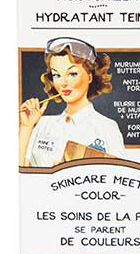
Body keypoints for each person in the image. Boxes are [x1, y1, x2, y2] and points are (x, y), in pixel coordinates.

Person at [20, 37, 127, 166]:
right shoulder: (43, 124)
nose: (63, 83)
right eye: (57, 75)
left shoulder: (107, 128)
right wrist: (26, 127)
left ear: (89, 77)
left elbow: (119, 173)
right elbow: (21, 170)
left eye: (72, 74)